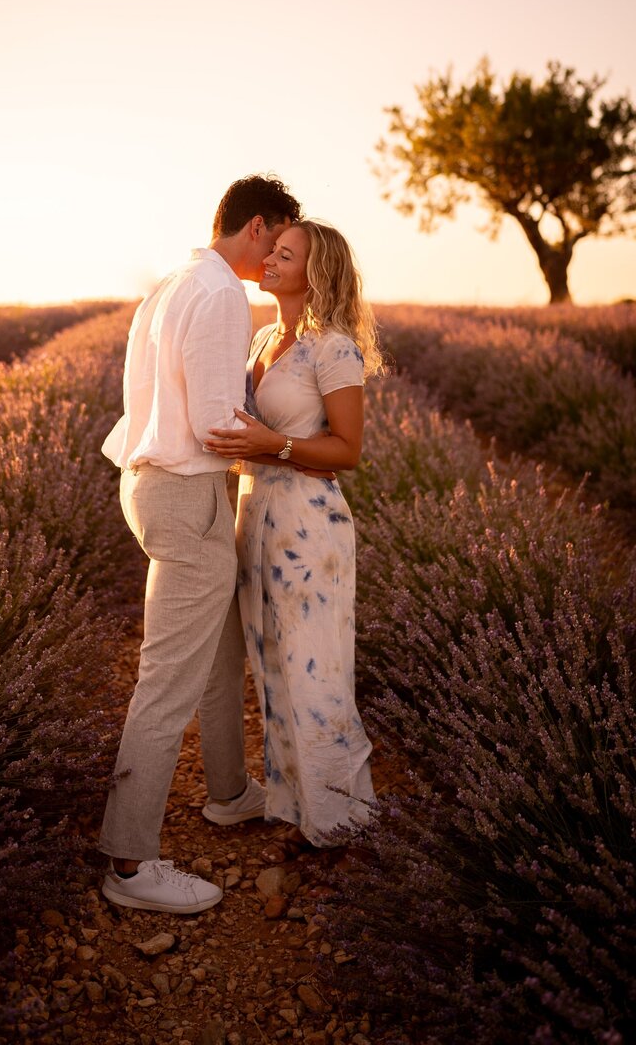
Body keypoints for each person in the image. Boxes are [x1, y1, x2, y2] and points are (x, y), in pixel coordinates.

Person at [99, 174, 302, 913]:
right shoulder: (221, 295)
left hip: (153, 480)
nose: (277, 256)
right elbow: (221, 422)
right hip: (187, 491)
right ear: (256, 228)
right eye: (276, 241)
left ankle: (228, 794)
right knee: (166, 681)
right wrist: (294, 441)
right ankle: (129, 863)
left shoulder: (172, 282)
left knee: (219, 650)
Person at [204, 220, 383, 847]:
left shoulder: (332, 347)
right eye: (272, 250)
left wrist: (269, 443)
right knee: (273, 669)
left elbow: (348, 450)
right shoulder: (262, 340)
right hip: (256, 518)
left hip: (308, 527)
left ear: (317, 273)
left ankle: (344, 821)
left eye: (286, 255)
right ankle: (301, 808)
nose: (271, 261)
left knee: (317, 673)